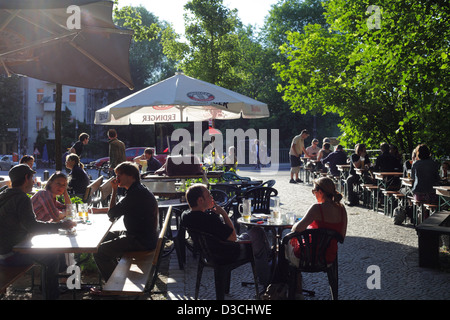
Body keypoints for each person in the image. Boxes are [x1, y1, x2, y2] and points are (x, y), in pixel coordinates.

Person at [0, 164, 75, 300]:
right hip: (10, 254)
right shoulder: (21, 198)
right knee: (52, 257)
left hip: (5, 250)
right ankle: (52, 296)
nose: (33, 181)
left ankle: (48, 288)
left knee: (52, 252)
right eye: (32, 177)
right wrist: (60, 226)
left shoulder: (5, 195)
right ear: (26, 178)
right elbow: (33, 227)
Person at [181, 184, 272, 288]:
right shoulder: (209, 220)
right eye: (209, 195)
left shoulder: (186, 216)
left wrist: (214, 213)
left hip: (208, 253)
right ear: (200, 200)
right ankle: (266, 279)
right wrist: (223, 213)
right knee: (258, 233)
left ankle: (269, 260)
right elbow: (233, 238)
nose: (212, 197)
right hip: (228, 252)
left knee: (256, 233)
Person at [272, 177, 347, 299]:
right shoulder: (341, 209)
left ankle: (280, 285)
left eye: (314, 191)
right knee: (290, 244)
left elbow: (296, 229)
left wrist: (300, 224)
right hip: (329, 256)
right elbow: (341, 237)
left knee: (284, 242)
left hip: (310, 256)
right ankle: (296, 289)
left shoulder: (317, 208)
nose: (313, 194)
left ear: (320, 192)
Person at [91, 162, 158, 291]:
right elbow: (115, 213)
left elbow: (112, 214)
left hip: (140, 240)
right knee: (105, 237)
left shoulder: (135, 194)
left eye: (119, 174)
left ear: (131, 175)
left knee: (99, 253)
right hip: (142, 235)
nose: (117, 178)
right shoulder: (138, 189)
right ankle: (115, 279)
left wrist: (114, 190)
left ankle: (114, 289)